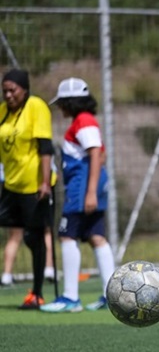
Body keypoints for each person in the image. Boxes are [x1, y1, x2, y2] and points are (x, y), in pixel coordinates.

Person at [40, 77, 115, 313]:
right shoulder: (86, 121)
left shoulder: (83, 122)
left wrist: (89, 191)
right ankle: (111, 295)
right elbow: (101, 154)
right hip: (87, 184)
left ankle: (70, 297)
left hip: (82, 187)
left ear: (70, 102)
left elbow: (95, 154)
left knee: (67, 235)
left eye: (62, 102)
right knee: (95, 236)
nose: (60, 107)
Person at [0, 69, 55, 309]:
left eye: (13, 90)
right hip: (11, 185)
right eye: (5, 91)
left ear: (24, 89)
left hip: (34, 187)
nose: (9, 95)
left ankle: (38, 293)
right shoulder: (2, 113)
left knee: (34, 237)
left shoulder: (36, 107)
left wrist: (45, 182)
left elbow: (45, 147)